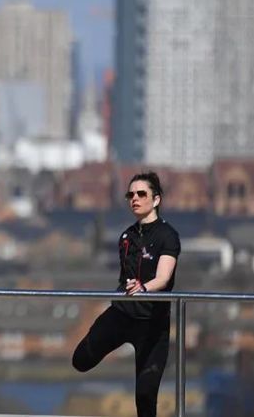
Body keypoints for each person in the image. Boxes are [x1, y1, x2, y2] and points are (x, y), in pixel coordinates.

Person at [71, 171, 181, 417]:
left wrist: (144, 288)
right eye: (130, 194)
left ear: (156, 200)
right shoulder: (126, 237)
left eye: (142, 194)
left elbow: (163, 278)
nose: (135, 198)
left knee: (145, 394)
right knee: (80, 360)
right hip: (121, 315)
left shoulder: (168, 235)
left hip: (152, 324)